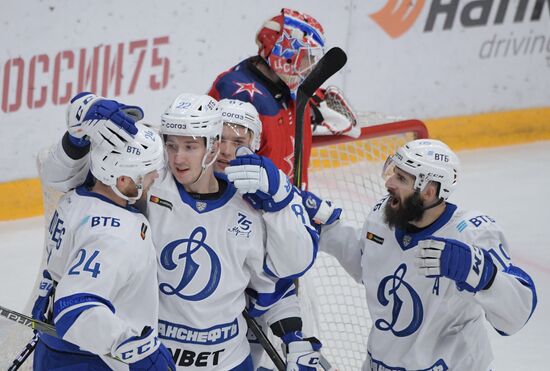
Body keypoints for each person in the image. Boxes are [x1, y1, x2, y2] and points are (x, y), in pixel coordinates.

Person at [40, 92, 322, 370]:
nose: (178, 158)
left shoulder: (253, 204)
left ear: (210, 148)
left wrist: (293, 337)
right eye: (172, 146)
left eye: (190, 147)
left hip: (228, 361)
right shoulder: (148, 182)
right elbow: (67, 182)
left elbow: (277, 281)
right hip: (155, 357)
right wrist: (78, 133)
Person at [317, 139, 537, 370]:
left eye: (401, 178)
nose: (389, 183)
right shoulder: (383, 217)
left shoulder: (472, 234)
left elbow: (517, 315)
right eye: (393, 172)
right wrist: (329, 230)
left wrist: (483, 275)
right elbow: (369, 266)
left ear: (428, 192)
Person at [31, 112, 174, 370]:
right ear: (122, 180)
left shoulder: (78, 195)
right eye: (148, 172)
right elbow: (75, 310)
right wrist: (138, 349)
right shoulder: (115, 234)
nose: (155, 176)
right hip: (92, 359)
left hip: (53, 349)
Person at [208, 8, 357, 189]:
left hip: (287, 204)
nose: (311, 65)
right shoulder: (239, 94)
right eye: (307, 56)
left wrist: (314, 109)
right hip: (252, 211)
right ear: (286, 55)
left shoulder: (288, 88)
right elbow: (219, 169)